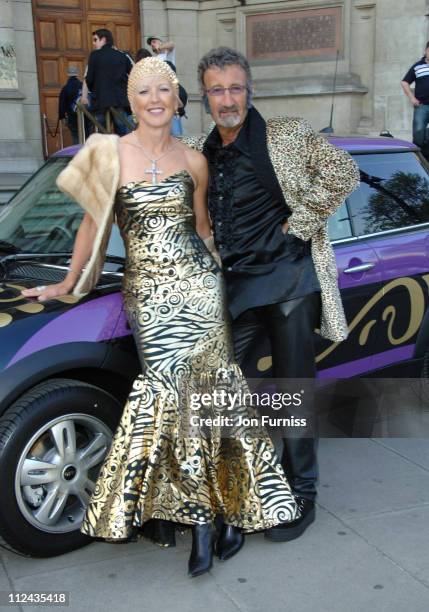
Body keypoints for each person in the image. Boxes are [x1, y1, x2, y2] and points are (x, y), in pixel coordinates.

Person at [22, 58, 299, 578]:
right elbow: (90, 230)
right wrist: (66, 283)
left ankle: (221, 517)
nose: (154, 99)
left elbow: (203, 231)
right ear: (131, 102)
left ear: (176, 101)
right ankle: (201, 516)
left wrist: (256, 264)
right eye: (144, 91)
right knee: (170, 403)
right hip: (149, 297)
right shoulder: (105, 153)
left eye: (164, 90)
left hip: (200, 291)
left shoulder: (195, 161)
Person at [184, 47, 360, 543]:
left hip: (287, 280)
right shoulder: (200, 147)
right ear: (205, 97)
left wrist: (298, 227)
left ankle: (302, 493)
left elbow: (342, 171)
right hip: (235, 285)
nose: (227, 98)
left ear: (249, 90)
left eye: (235, 87)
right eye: (217, 89)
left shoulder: (285, 132)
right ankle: (239, 490)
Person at [86, 28, 133, 136]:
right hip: (119, 101)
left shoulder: (94, 55)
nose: (93, 43)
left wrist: (95, 90)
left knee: (103, 133)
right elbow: (132, 74)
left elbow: (89, 79)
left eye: (95, 40)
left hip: (101, 101)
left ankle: (106, 152)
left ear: (103, 39)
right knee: (121, 132)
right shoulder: (122, 55)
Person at [401, 42, 429, 158]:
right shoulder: (417, 66)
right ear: (425, 51)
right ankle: (419, 160)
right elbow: (404, 82)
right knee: (418, 135)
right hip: (421, 106)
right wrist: (412, 98)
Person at [58, 66, 82, 144]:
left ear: (68, 74)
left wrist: (62, 117)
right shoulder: (82, 85)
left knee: (75, 137)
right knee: (86, 135)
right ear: (77, 74)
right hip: (85, 116)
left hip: (72, 116)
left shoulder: (65, 88)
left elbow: (62, 104)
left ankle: (77, 153)